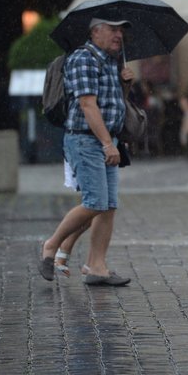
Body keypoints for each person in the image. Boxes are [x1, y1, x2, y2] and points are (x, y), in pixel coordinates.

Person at [38, 18, 135, 286]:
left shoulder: (110, 60)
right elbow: (87, 105)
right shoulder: (84, 58)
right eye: (113, 29)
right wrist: (106, 143)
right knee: (95, 202)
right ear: (95, 31)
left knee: (108, 206)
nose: (119, 35)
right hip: (86, 141)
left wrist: (125, 83)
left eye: (121, 30)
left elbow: (112, 103)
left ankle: (96, 266)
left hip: (107, 140)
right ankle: (52, 246)